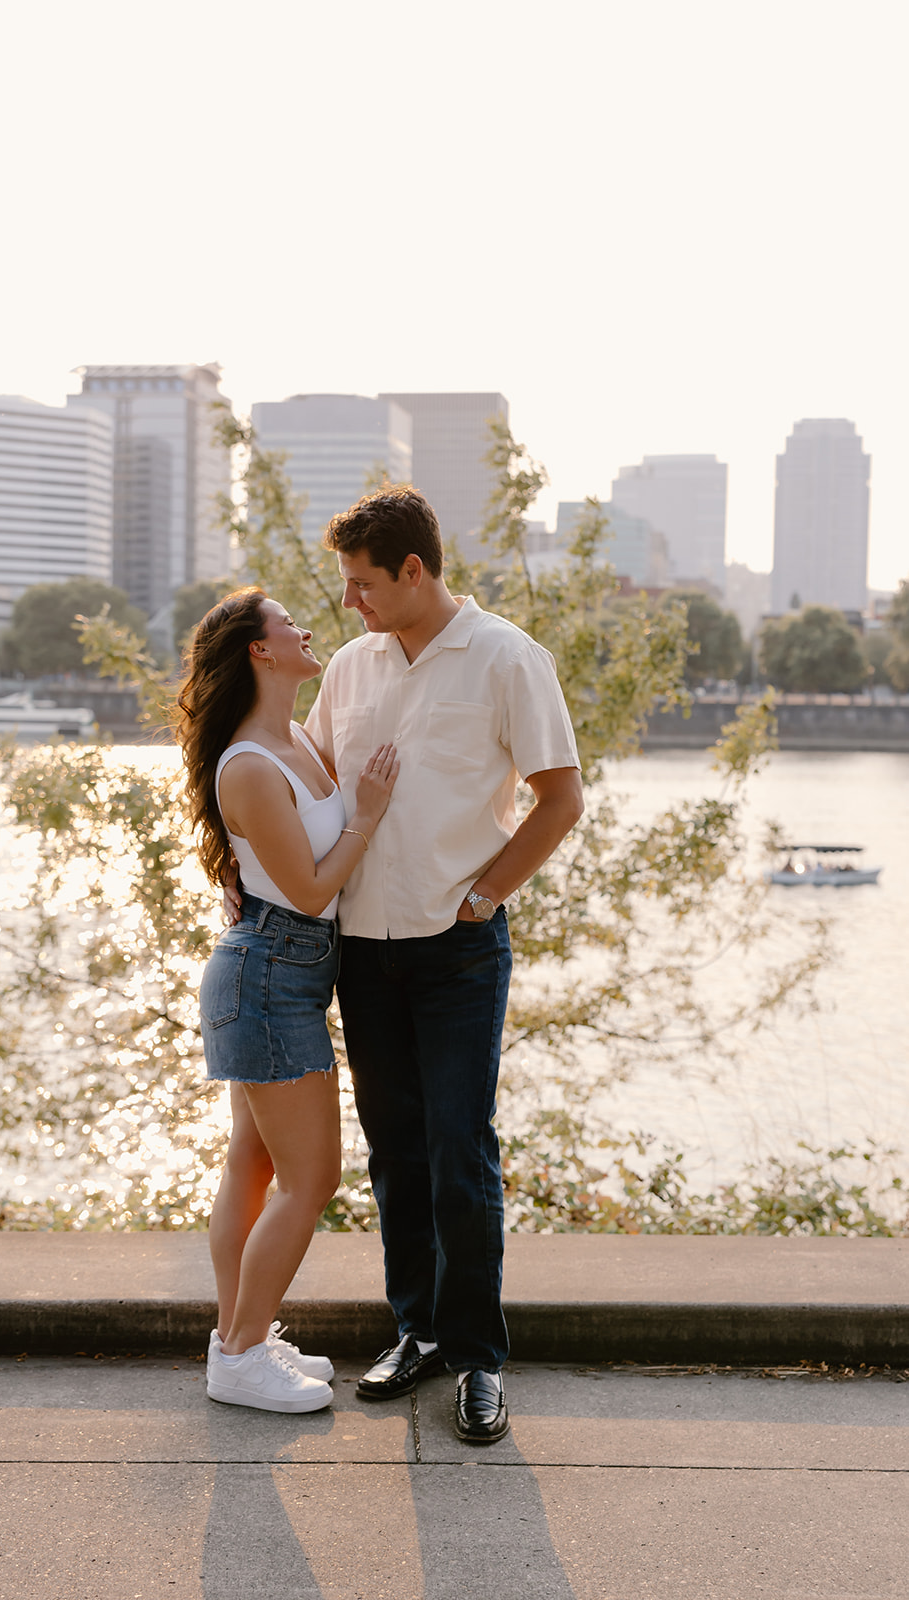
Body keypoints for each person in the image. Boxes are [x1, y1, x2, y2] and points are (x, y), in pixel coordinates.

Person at [304, 486, 584, 1444]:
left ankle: (478, 1361)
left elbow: (558, 798)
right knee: (395, 1154)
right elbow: (307, 787)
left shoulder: (507, 657)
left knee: (462, 1158)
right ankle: (416, 1331)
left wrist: (485, 894)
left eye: (362, 584)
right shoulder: (349, 666)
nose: (351, 602)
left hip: (459, 951)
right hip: (362, 951)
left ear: (413, 571)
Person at [177, 586, 398, 1414]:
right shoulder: (247, 764)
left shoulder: (298, 739)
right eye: (286, 624)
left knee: (254, 1163)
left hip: (288, 973)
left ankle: (238, 1335)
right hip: (269, 972)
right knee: (311, 1181)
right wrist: (365, 818)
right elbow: (307, 892)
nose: (306, 629)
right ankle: (237, 1355)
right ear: (257, 652)